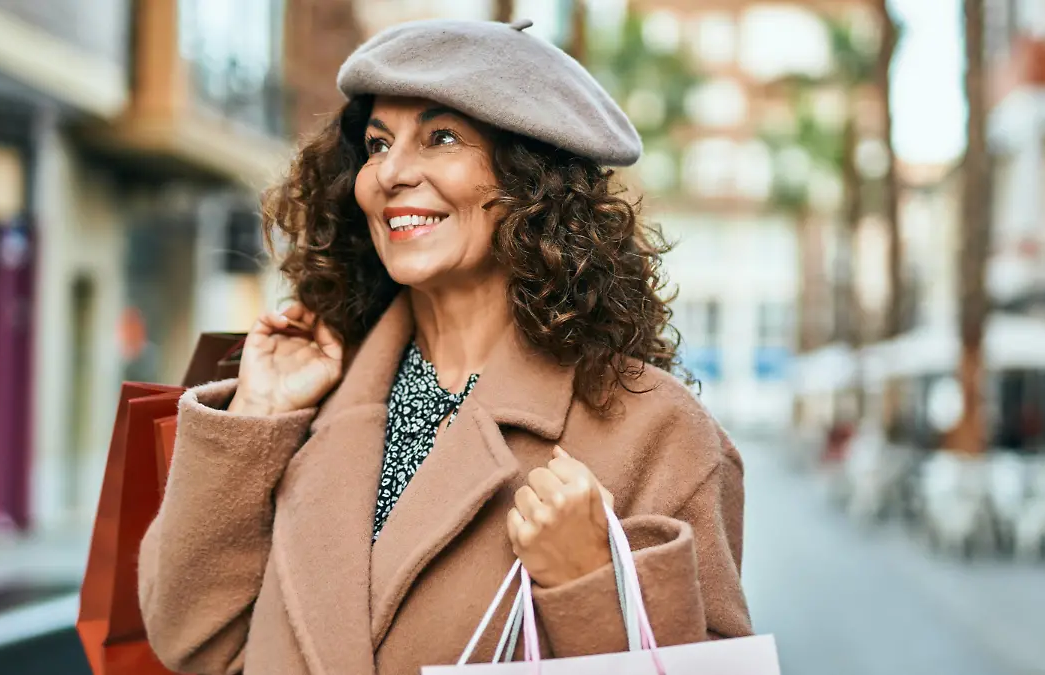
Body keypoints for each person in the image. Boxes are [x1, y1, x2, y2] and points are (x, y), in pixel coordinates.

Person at [139, 18, 752, 675]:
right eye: (377, 144)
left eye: (440, 137)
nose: (392, 173)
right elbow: (190, 640)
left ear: (532, 183)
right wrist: (256, 419)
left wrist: (586, 584)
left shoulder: (657, 432)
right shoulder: (306, 402)